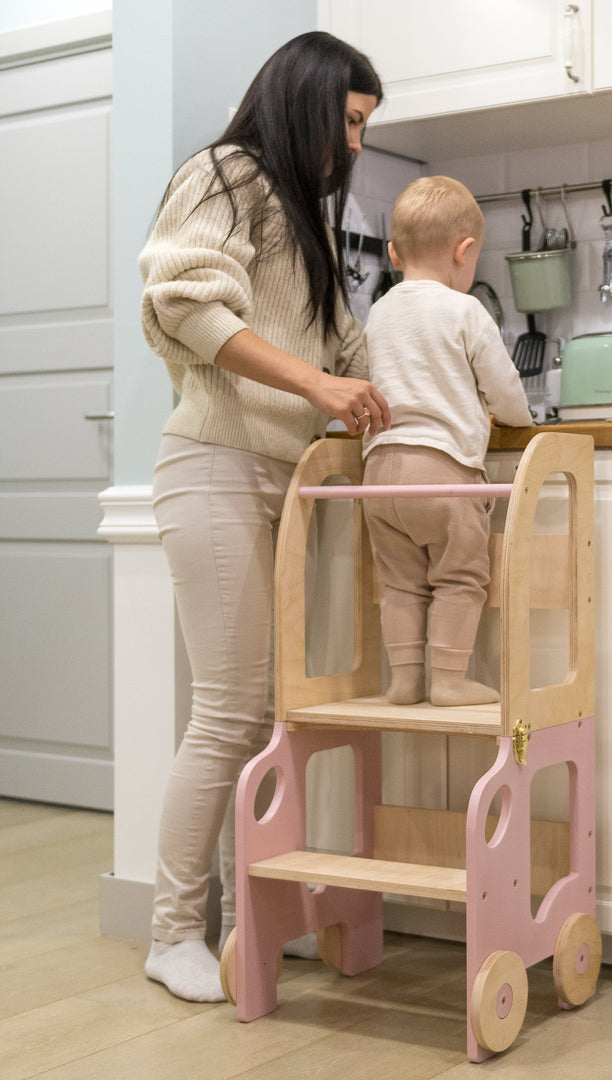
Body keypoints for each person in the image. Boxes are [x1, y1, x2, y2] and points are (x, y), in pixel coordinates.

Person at [138, 31, 390, 1004]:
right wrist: (322, 387)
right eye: (354, 121)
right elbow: (190, 306)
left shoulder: (310, 220)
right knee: (229, 716)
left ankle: (253, 913)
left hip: (283, 485)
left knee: (272, 718)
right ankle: (170, 933)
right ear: (312, 102)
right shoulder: (223, 177)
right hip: (214, 467)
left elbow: (345, 345)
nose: (359, 143)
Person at [359, 176, 533, 708]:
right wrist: (517, 418)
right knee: (460, 577)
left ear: (392, 254)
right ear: (466, 251)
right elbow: (503, 388)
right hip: (442, 469)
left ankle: (406, 678)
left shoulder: (379, 312)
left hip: (379, 471)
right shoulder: (465, 311)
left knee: (401, 583)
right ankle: (451, 680)